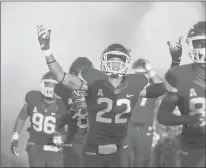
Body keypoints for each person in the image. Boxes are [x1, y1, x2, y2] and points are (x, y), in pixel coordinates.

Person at [36, 25, 167, 167]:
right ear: (104, 63)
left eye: (119, 62)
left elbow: (162, 89)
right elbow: (61, 76)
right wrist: (47, 51)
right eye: (112, 62)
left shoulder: (133, 86)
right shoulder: (93, 85)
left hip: (118, 148)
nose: (115, 66)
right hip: (93, 147)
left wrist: (173, 63)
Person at [127, 37, 183, 167]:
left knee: (142, 162)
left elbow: (165, 85)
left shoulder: (153, 88)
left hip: (146, 130)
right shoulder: (128, 86)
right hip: (128, 128)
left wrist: (150, 70)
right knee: (123, 161)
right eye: (136, 74)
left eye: (143, 74)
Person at [157, 21, 206, 167]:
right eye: (199, 43)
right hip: (193, 144)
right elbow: (163, 116)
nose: (203, 49)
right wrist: (187, 119)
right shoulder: (179, 75)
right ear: (190, 46)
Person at [10, 72, 69, 167]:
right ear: (42, 84)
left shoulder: (63, 103)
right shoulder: (33, 98)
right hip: (36, 145)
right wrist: (15, 137)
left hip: (55, 146)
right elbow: (22, 115)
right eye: (47, 84)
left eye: (53, 85)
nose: (50, 87)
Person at [54, 57, 93, 167]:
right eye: (77, 77)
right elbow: (58, 115)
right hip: (72, 135)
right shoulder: (62, 89)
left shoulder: (98, 90)